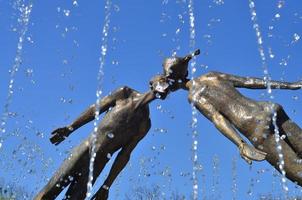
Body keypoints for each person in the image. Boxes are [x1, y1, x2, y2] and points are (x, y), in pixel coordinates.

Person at [163, 49, 302, 186]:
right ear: (186, 72)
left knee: (299, 173)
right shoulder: (212, 75)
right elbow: (249, 81)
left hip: (254, 124)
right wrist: (289, 85)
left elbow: (216, 118)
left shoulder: (194, 95)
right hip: (269, 108)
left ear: (173, 82)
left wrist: (241, 144)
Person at [34, 75, 170, 200]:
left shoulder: (144, 124)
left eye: (168, 83)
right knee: (48, 192)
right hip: (85, 149)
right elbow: (95, 110)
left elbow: (124, 155)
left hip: (98, 164)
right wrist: (70, 128)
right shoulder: (124, 93)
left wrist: (106, 186)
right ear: (152, 82)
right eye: (163, 79)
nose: (166, 83)